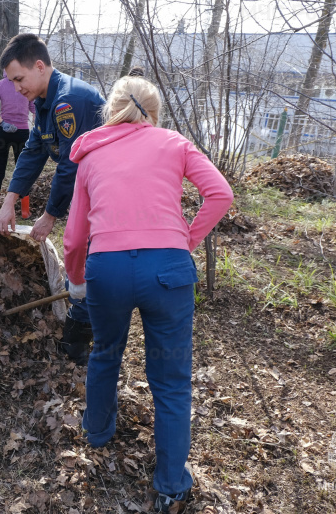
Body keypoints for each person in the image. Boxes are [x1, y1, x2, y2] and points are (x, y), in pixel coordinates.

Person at [63, 76, 233, 513]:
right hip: (168, 271)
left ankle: (97, 433)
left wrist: (76, 278)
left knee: (105, 352)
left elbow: (75, 234)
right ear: (154, 113)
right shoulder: (174, 143)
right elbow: (219, 193)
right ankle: (171, 486)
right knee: (172, 381)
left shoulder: (91, 153)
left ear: (111, 110)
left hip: (108, 270)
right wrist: (185, 241)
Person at [0, 33, 105, 365]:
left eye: (19, 79)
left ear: (39, 66)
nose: (16, 88)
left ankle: (80, 341)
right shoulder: (44, 101)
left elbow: (70, 166)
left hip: (103, 193)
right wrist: (10, 199)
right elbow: (34, 150)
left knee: (84, 255)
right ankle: (83, 322)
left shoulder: (68, 102)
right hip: (86, 189)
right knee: (78, 255)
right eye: (11, 82)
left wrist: (50, 214)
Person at [0, 72, 36, 215]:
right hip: (22, 133)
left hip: (3, 133)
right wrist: (37, 123)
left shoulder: (0, 84)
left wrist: (2, 121)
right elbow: (34, 107)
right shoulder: (25, 84)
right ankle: (25, 211)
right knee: (23, 170)